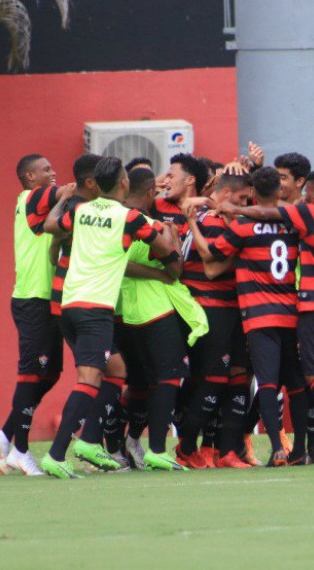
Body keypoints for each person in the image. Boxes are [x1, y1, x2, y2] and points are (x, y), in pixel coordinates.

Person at [40, 156, 175, 478]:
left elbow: (49, 226)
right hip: (95, 309)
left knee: (116, 370)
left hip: (69, 305)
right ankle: (56, 454)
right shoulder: (130, 217)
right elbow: (167, 251)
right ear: (124, 182)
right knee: (89, 379)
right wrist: (169, 232)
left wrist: (60, 201)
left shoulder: (81, 211)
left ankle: (89, 441)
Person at [217, 169, 314, 464]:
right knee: (308, 376)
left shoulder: (308, 215)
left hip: (310, 306)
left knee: (308, 375)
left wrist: (232, 209)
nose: (303, 197)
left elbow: (267, 213)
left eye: (307, 192)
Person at [187, 168, 306, 467]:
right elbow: (212, 270)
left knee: (256, 381)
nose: (243, 203)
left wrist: (199, 221)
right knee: (290, 383)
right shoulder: (292, 222)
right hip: (281, 311)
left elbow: (211, 263)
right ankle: (304, 449)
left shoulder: (242, 227)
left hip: (253, 313)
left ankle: (260, 449)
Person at [0, 153, 100, 468]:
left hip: (48, 298)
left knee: (50, 373)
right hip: (32, 298)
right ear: (30, 176)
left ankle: (5, 435)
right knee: (31, 374)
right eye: (46, 169)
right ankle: (21, 450)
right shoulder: (30, 196)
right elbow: (68, 189)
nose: (53, 173)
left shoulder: (41, 205)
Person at [115, 165, 197, 471]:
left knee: (136, 382)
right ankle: (158, 449)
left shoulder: (111, 221)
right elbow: (175, 270)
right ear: (151, 192)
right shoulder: (150, 225)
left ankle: (118, 445)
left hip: (121, 312)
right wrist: (172, 236)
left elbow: (118, 263)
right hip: (154, 311)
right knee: (168, 377)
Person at [176, 173, 256, 469]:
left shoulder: (220, 220)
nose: (244, 204)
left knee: (238, 378)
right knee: (214, 380)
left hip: (231, 308)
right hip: (211, 307)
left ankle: (227, 452)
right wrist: (247, 252)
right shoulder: (212, 223)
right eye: (241, 199)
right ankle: (186, 447)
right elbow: (211, 270)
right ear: (224, 195)